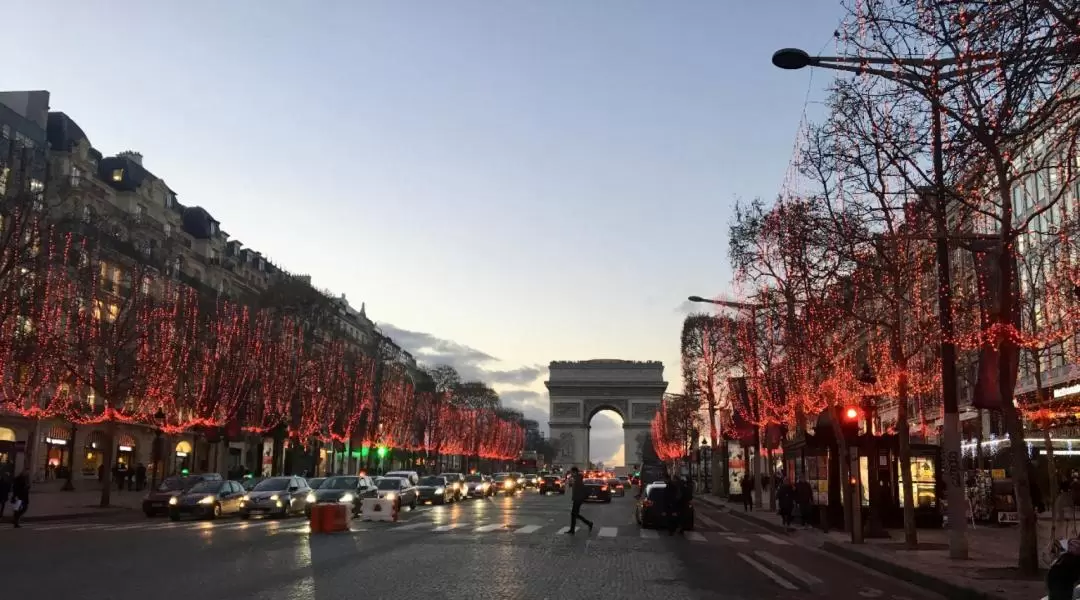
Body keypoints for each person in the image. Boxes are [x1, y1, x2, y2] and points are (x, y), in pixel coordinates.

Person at [565, 467, 593, 535]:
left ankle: (588, 523)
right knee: (574, 514)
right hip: (577, 498)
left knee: (574, 514)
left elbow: (574, 484)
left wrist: (570, 479)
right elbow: (571, 485)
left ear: (574, 472)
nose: (571, 473)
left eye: (572, 472)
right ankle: (573, 529)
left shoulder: (578, 478)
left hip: (578, 498)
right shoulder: (576, 478)